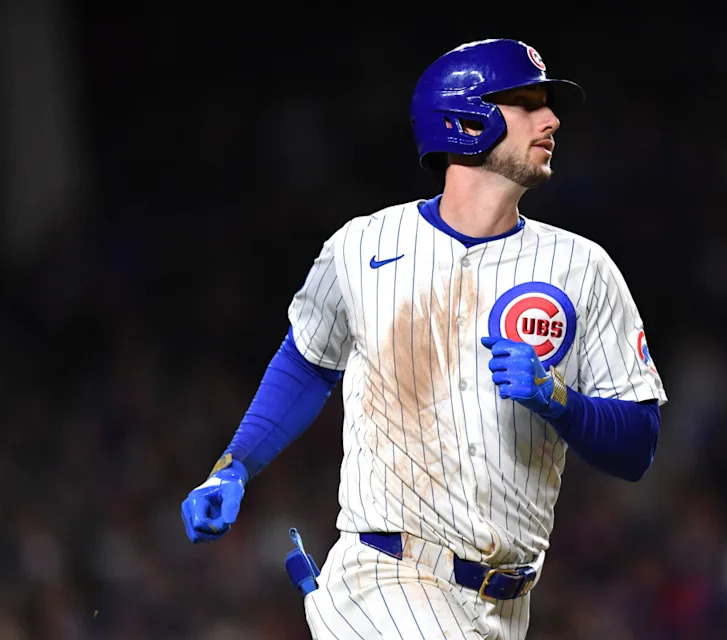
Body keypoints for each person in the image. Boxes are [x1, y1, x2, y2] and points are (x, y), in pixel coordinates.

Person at [181, 37, 668, 639]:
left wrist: (559, 400)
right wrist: (233, 467)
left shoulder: (583, 267)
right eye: (525, 103)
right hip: (385, 578)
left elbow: (638, 444)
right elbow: (308, 363)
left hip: (505, 603)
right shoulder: (363, 246)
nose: (551, 119)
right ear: (466, 119)